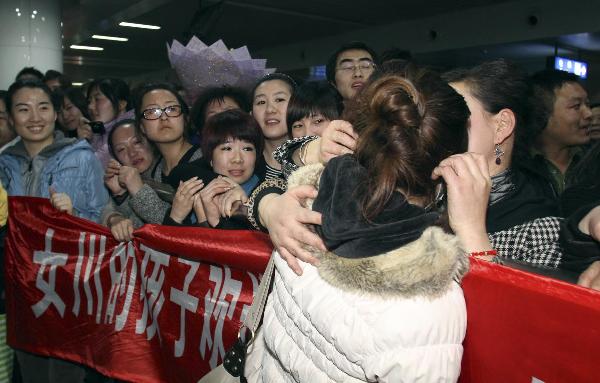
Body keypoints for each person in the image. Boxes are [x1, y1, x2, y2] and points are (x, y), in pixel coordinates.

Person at [245, 65, 472, 382]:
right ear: (451, 160)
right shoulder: (429, 297)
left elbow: (269, 182)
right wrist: (472, 229)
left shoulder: (305, 203)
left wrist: (269, 207)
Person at [0, 79, 108, 382]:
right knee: (31, 369)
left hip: (69, 286)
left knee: (67, 371)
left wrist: (74, 213)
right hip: (21, 287)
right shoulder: (3, 163)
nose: (35, 117)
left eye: (43, 107)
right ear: (10, 117)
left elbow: (102, 215)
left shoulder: (81, 156)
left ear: (55, 113)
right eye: (23, 109)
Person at [166, 109, 262, 229]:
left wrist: (206, 222)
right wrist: (176, 218)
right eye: (227, 148)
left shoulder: (265, 196)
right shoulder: (194, 192)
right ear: (210, 158)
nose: (237, 159)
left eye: (247, 149)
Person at [123, 82, 202, 224]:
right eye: (152, 111)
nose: (164, 117)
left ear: (185, 118)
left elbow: (189, 230)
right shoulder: (151, 173)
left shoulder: (206, 161)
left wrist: (139, 192)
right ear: (142, 127)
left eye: (171, 109)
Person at [527, 70, 592, 197]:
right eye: (576, 106)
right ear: (542, 112)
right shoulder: (514, 167)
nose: (589, 113)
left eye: (588, 105)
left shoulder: (593, 162)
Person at [101, 119, 158, 241]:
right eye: (121, 149)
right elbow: (107, 211)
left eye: (137, 142)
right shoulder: (125, 179)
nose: (132, 153)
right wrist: (120, 195)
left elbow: (158, 223)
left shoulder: (166, 170)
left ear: (150, 141)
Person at [251, 73, 296, 180]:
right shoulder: (241, 167)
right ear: (251, 114)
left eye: (279, 99)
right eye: (261, 102)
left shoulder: (317, 158)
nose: (270, 110)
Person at [85, 78, 132, 166]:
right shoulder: (99, 128)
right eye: (89, 101)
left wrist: (82, 143)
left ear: (121, 104)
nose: (90, 106)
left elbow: (90, 166)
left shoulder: (131, 131)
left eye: (97, 99)